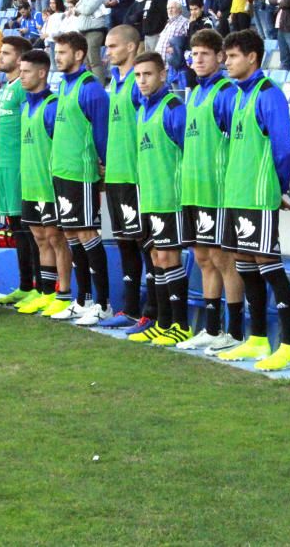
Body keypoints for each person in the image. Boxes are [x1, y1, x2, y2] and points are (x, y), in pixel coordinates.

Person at [215, 29, 290, 372]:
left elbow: (284, 149)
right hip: (236, 192)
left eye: (233, 56)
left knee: (269, 266)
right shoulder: (236, 96)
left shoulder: (268, 95)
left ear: (252, 57)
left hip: (257, 193)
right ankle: (258, 339)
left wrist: (279, 188)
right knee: (245, 265)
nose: (227, 63)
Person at [172, 28, 245, 354]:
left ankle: (236, 331)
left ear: (219, 58)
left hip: (216, 190)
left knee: (223, 258)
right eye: (194, 54)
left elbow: (240, 142)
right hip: (193, 189)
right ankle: (212, 329)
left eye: (204, 54)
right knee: (202, 258)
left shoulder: (226, 92)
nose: (197, 59)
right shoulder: (195, 94)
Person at [123, 51, 190, 346]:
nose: (142, 81)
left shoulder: (174, 108)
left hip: (169, 198)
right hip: (148, 197)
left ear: (163, 74)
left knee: (170, 258)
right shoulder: (142, 109)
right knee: (155, 257)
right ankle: (163, 323)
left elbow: (188, 152)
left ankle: (181, 325)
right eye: (137, 76)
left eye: (147, 74)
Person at [97, 24, 156, 335]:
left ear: (132, 47)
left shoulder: (138, 84)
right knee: (124, 243)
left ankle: (152, 311)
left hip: (135, 177)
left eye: (113, 46)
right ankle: (131, 309)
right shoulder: (116, 83)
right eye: (106, 46)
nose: (108, 52)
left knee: (146, 244)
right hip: (117, 175)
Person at [49, 31, 111, 326]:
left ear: (79, 55)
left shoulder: (91, 89)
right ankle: (83, 299)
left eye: (62, 52)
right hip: (61, 171)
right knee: (72, 235)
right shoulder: (63, 86)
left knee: (87, 234)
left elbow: (101, 133)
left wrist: (105, 165)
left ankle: (103, 303)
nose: (57, 57)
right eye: (56, 52)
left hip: (81, 173)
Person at [13, 48, 76, 317]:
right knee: (40, 237)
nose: (21, 76)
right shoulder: (26, 105)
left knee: (56, 237)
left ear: (42, 73)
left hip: (49, 185)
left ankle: (64, 294)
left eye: (26, 72)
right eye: (20, 71)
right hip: (30, 183)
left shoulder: (52, 106)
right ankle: (46, 292)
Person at [0, 36, 43, 307]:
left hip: (21, 166)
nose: (1, 57)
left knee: (28, 228)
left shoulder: (23, 90)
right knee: (15, 227)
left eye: (7, 53)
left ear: (20, 57)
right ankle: (25, 285)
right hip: (5, 165)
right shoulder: (8, 87)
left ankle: (38, 284)